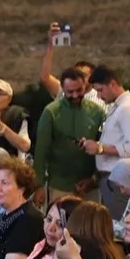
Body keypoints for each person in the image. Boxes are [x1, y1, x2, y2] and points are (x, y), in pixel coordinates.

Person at [32, 68, 105, 203]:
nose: (75, 95)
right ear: (63, 89)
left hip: (89, 186)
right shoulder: (51, 112)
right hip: (60, 185)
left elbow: (104, 147)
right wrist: (38, 186)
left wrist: (94, 178)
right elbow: (41, 151)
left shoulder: (97, 112)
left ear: (85, 86)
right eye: (70, 92)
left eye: (79, 90)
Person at [83, 65, 130, 218]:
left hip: (120, 182)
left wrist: (100, 149)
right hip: (112, 180)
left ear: (112, 84)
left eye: (100, 90)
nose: (98, 96)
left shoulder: (129, 108)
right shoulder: (119, 107)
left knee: (120, 225)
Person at [38, 23, 100, 105]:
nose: (80, 78)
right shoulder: (64, 92)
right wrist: (50, 45)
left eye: (84, 75)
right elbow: (45, 78)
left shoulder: (101, 98)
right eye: (77, 74)